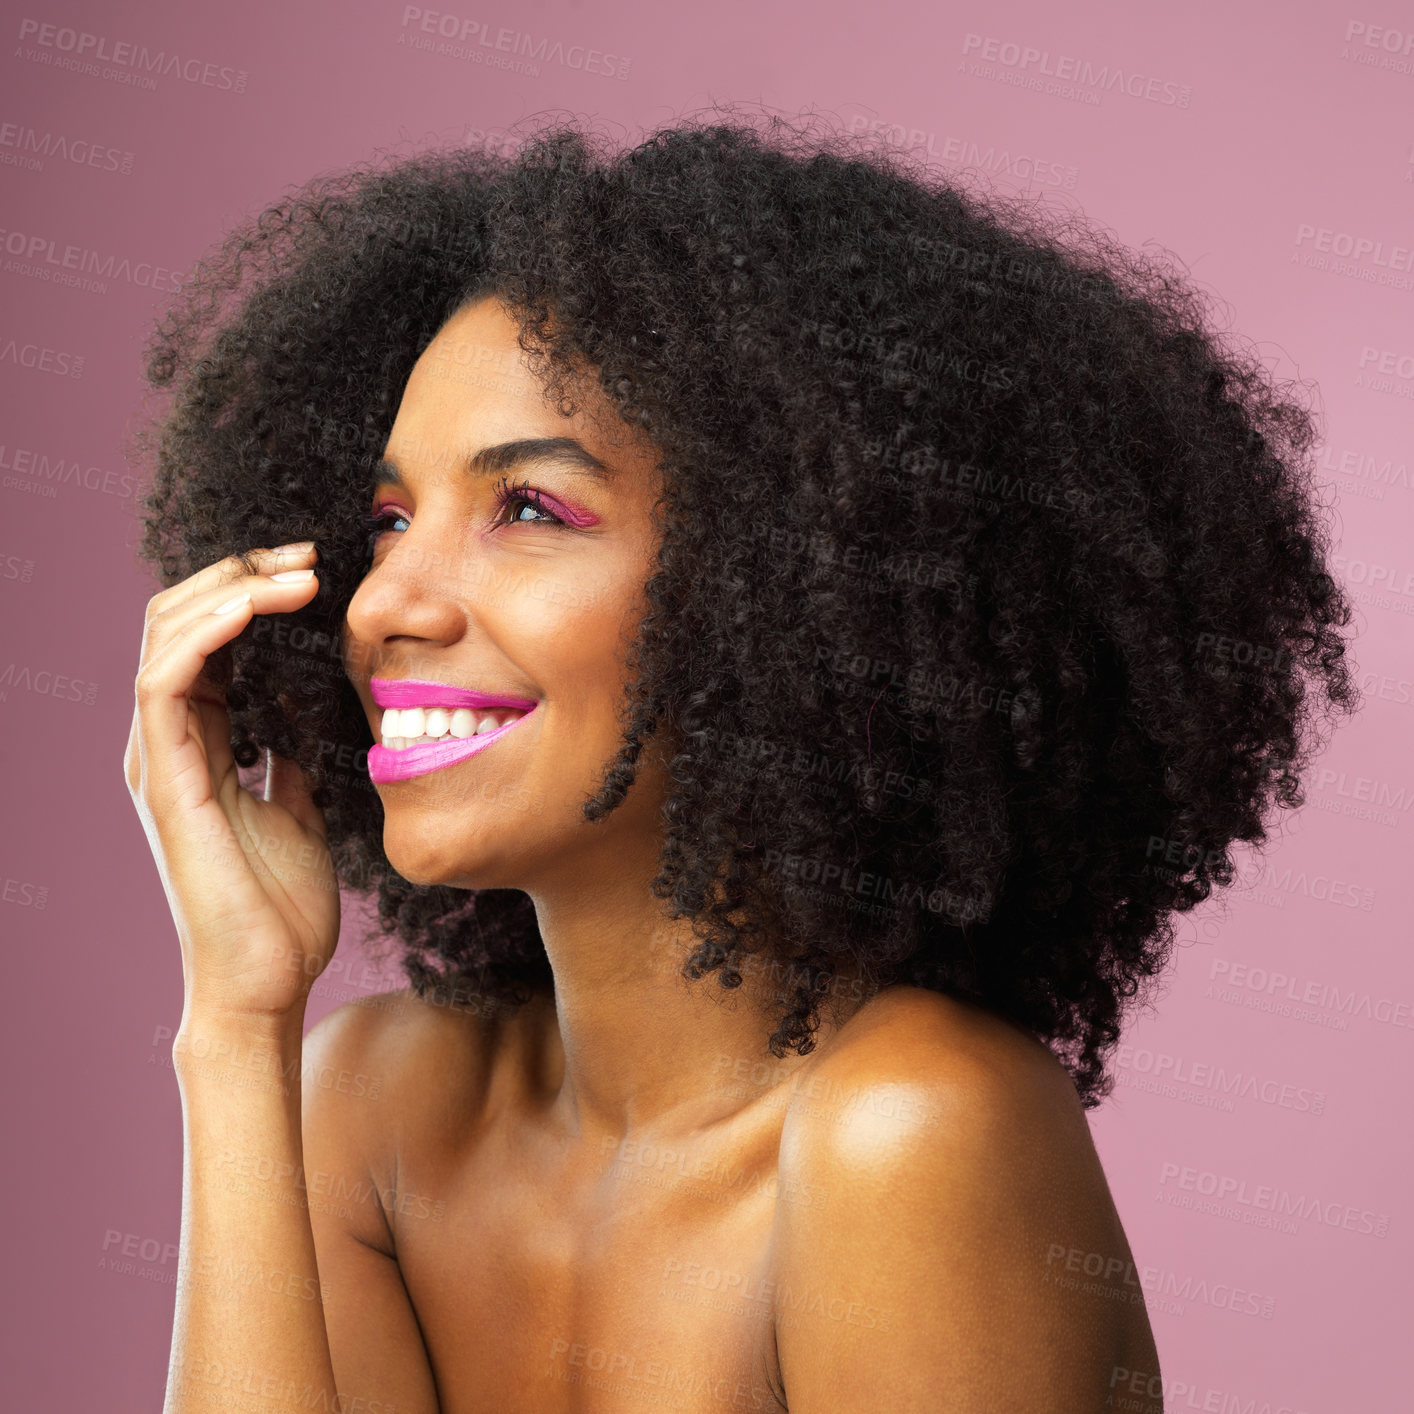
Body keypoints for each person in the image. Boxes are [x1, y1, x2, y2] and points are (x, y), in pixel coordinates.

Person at [123, 110, 1359, 1413]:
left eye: (529, 508)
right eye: (387, 517)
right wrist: (238, 1020)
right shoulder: (380, 1106)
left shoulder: (906, 1130)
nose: (383, 604)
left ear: (785, 588)